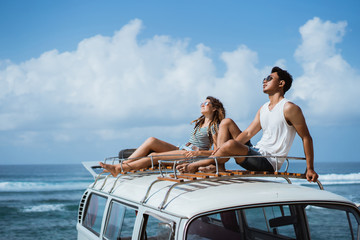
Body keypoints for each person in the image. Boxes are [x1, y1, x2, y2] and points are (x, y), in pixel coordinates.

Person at [177, 66, 319, 182]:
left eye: (269, 78)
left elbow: (306, 138)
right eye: (264, 78)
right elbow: (248, 133)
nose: (264, 81)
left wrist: (310, 168)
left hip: (268, 161)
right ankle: (218, 165)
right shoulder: (264, 108)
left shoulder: (289, 108)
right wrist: (222, 151)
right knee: (226, 122)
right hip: (256, 152)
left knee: (230, 145)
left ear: (281, 84)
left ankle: (195, 165)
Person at [100, 96, 227, 177]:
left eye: (206, 103)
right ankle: (121, 166)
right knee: (151, 140)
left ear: (215, 108)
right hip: (183, 148)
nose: (202, 104)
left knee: (153, 156)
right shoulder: (200, 123)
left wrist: (198, 153)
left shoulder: (214, 126)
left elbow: (216, 152)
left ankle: (118, 168)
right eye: (202, 102)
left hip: (192, 156)